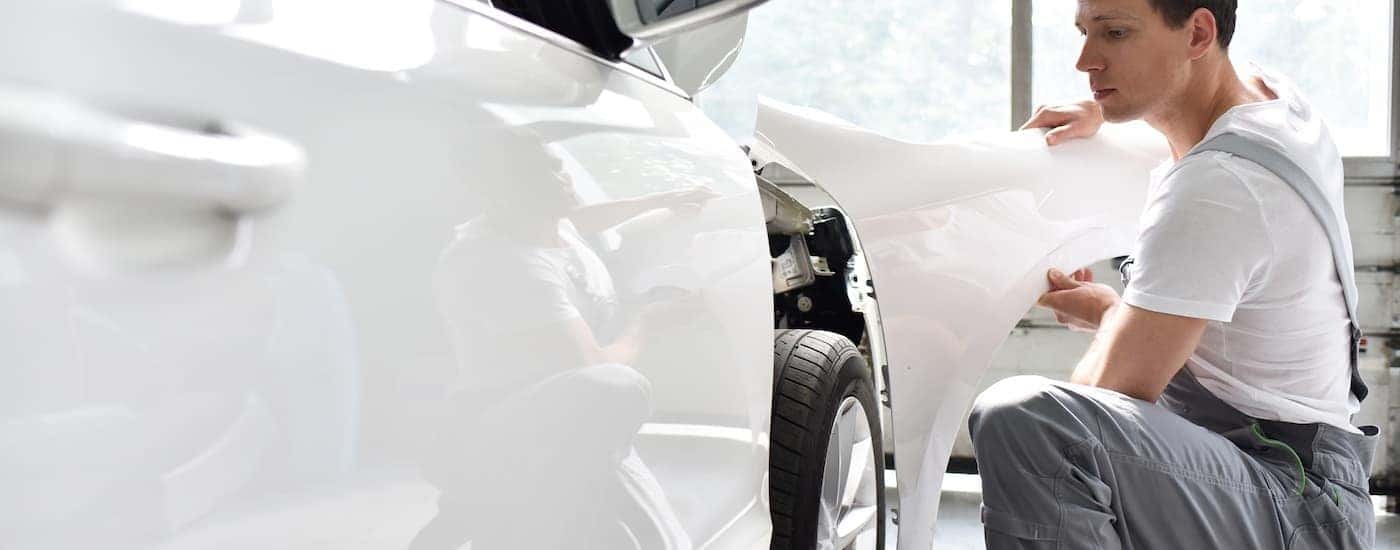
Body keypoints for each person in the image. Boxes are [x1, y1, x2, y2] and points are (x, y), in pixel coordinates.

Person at [968, 1, 1379, 548]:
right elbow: (1195, 108)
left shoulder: (1221, 186)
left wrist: (1117, 326)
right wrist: (1111, 117)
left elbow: (1105, 395)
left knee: (1029, 421)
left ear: (1198, 33)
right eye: (1084, 32)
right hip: (1308, 480)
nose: (1086, 61)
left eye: (1115, 34)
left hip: (1293, 501)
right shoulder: (1275, 101)